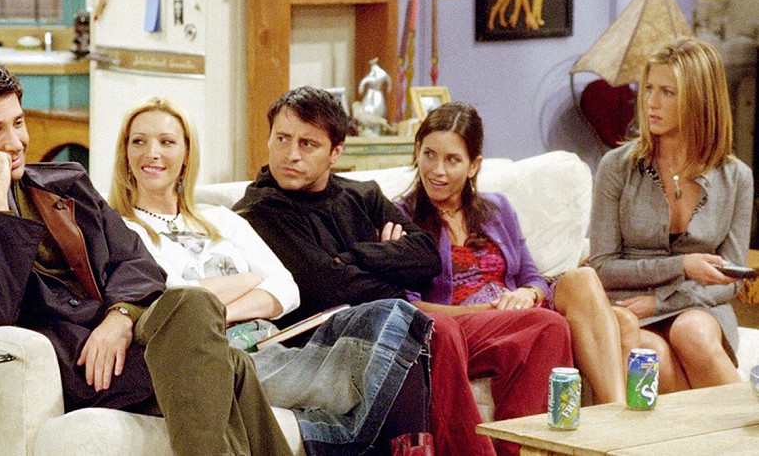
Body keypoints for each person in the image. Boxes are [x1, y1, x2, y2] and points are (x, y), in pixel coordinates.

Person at [232, 86, 573, 456]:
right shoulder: (260, 210)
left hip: (394, 320)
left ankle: (521, 451)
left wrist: (351, 257)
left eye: (308, 144)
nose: (291, 154)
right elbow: (328, 286)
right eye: (282, 139)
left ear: (336, 152)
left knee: (546, 326)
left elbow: (426, 258)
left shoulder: (363, 194)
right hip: (330, 339)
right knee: (432, 329)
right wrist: (391, 261)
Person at [109, 96, 433, 456]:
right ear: (125, 153)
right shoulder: (121, 228)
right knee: (389, 361)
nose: (152, 153)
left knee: (395, 316)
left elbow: (285, 288)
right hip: (217, 357)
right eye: (139, 141)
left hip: (273, 344)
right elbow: (170, 298)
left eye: (166, 142)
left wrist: (212, 313)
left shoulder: (222, 218)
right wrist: (247, 282)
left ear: (186, 154)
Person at [0, 64, 292, 455]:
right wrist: (1, 210)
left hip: (123, 331)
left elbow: (136, 260)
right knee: (229, 367)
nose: (16, 142)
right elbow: (1, 311)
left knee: (192, 302)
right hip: (77, 359)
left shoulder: (65, 183)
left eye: (19, 123)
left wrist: (119, 318)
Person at [397, 101, 633, 407]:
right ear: (417, 151)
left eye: (452, 160)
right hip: (464, 324)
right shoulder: (401, 216)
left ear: (473, 166)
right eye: (429, 154)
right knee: (552, 325)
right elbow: (408, 306)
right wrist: (489, 311)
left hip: (516, 313)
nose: (437, 170)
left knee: (596, 292)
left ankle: (613, 414)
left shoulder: (498, 208)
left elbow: (532, 276)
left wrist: (528, 293)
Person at [590, 37, 753, 393]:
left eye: (668, 92)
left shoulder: (737, 177)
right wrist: (682, 265)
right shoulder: (616, 167)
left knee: (691, 333)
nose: (651, 102)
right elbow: (601, 267)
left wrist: (663, 302)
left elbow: (732, 279)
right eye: (649, 88)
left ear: (700, 100)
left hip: (699, 305)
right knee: (652, 356)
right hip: (630, 306)